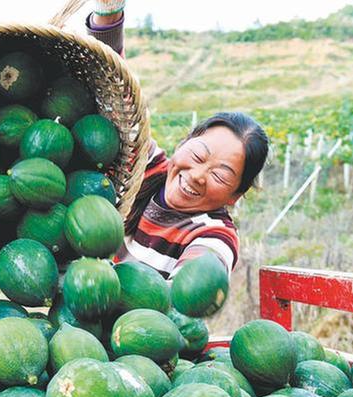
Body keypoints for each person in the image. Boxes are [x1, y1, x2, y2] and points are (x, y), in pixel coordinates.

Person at [88, 1, 269, 279]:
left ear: (235, 196)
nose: (197, 175)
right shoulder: (147, 169)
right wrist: (108, 13)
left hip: (133, 321)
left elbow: (193, 284)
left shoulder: (214, 235)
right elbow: (115, 93)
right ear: (182, 144)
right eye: (198, 156)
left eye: (220, 176)